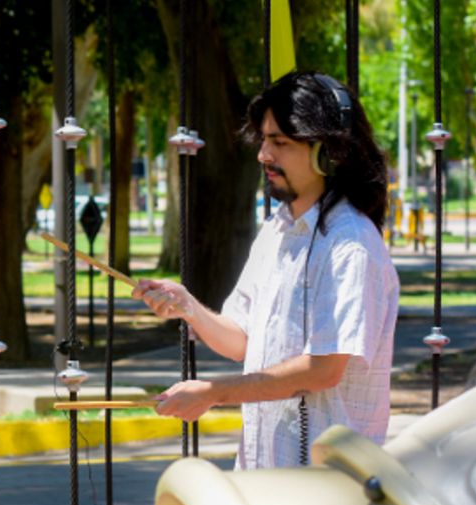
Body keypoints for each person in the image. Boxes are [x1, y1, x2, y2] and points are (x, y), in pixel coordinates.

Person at [134, 71, 399, 469]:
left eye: (280, 142)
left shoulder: (351, 244)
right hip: (264, 478)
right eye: (263, 140)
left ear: (328, 152)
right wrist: (187, 306)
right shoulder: (277, 229)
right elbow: (242, 340)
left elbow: (323, 370)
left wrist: (214, 392)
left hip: (325, 487)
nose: (263, 155)